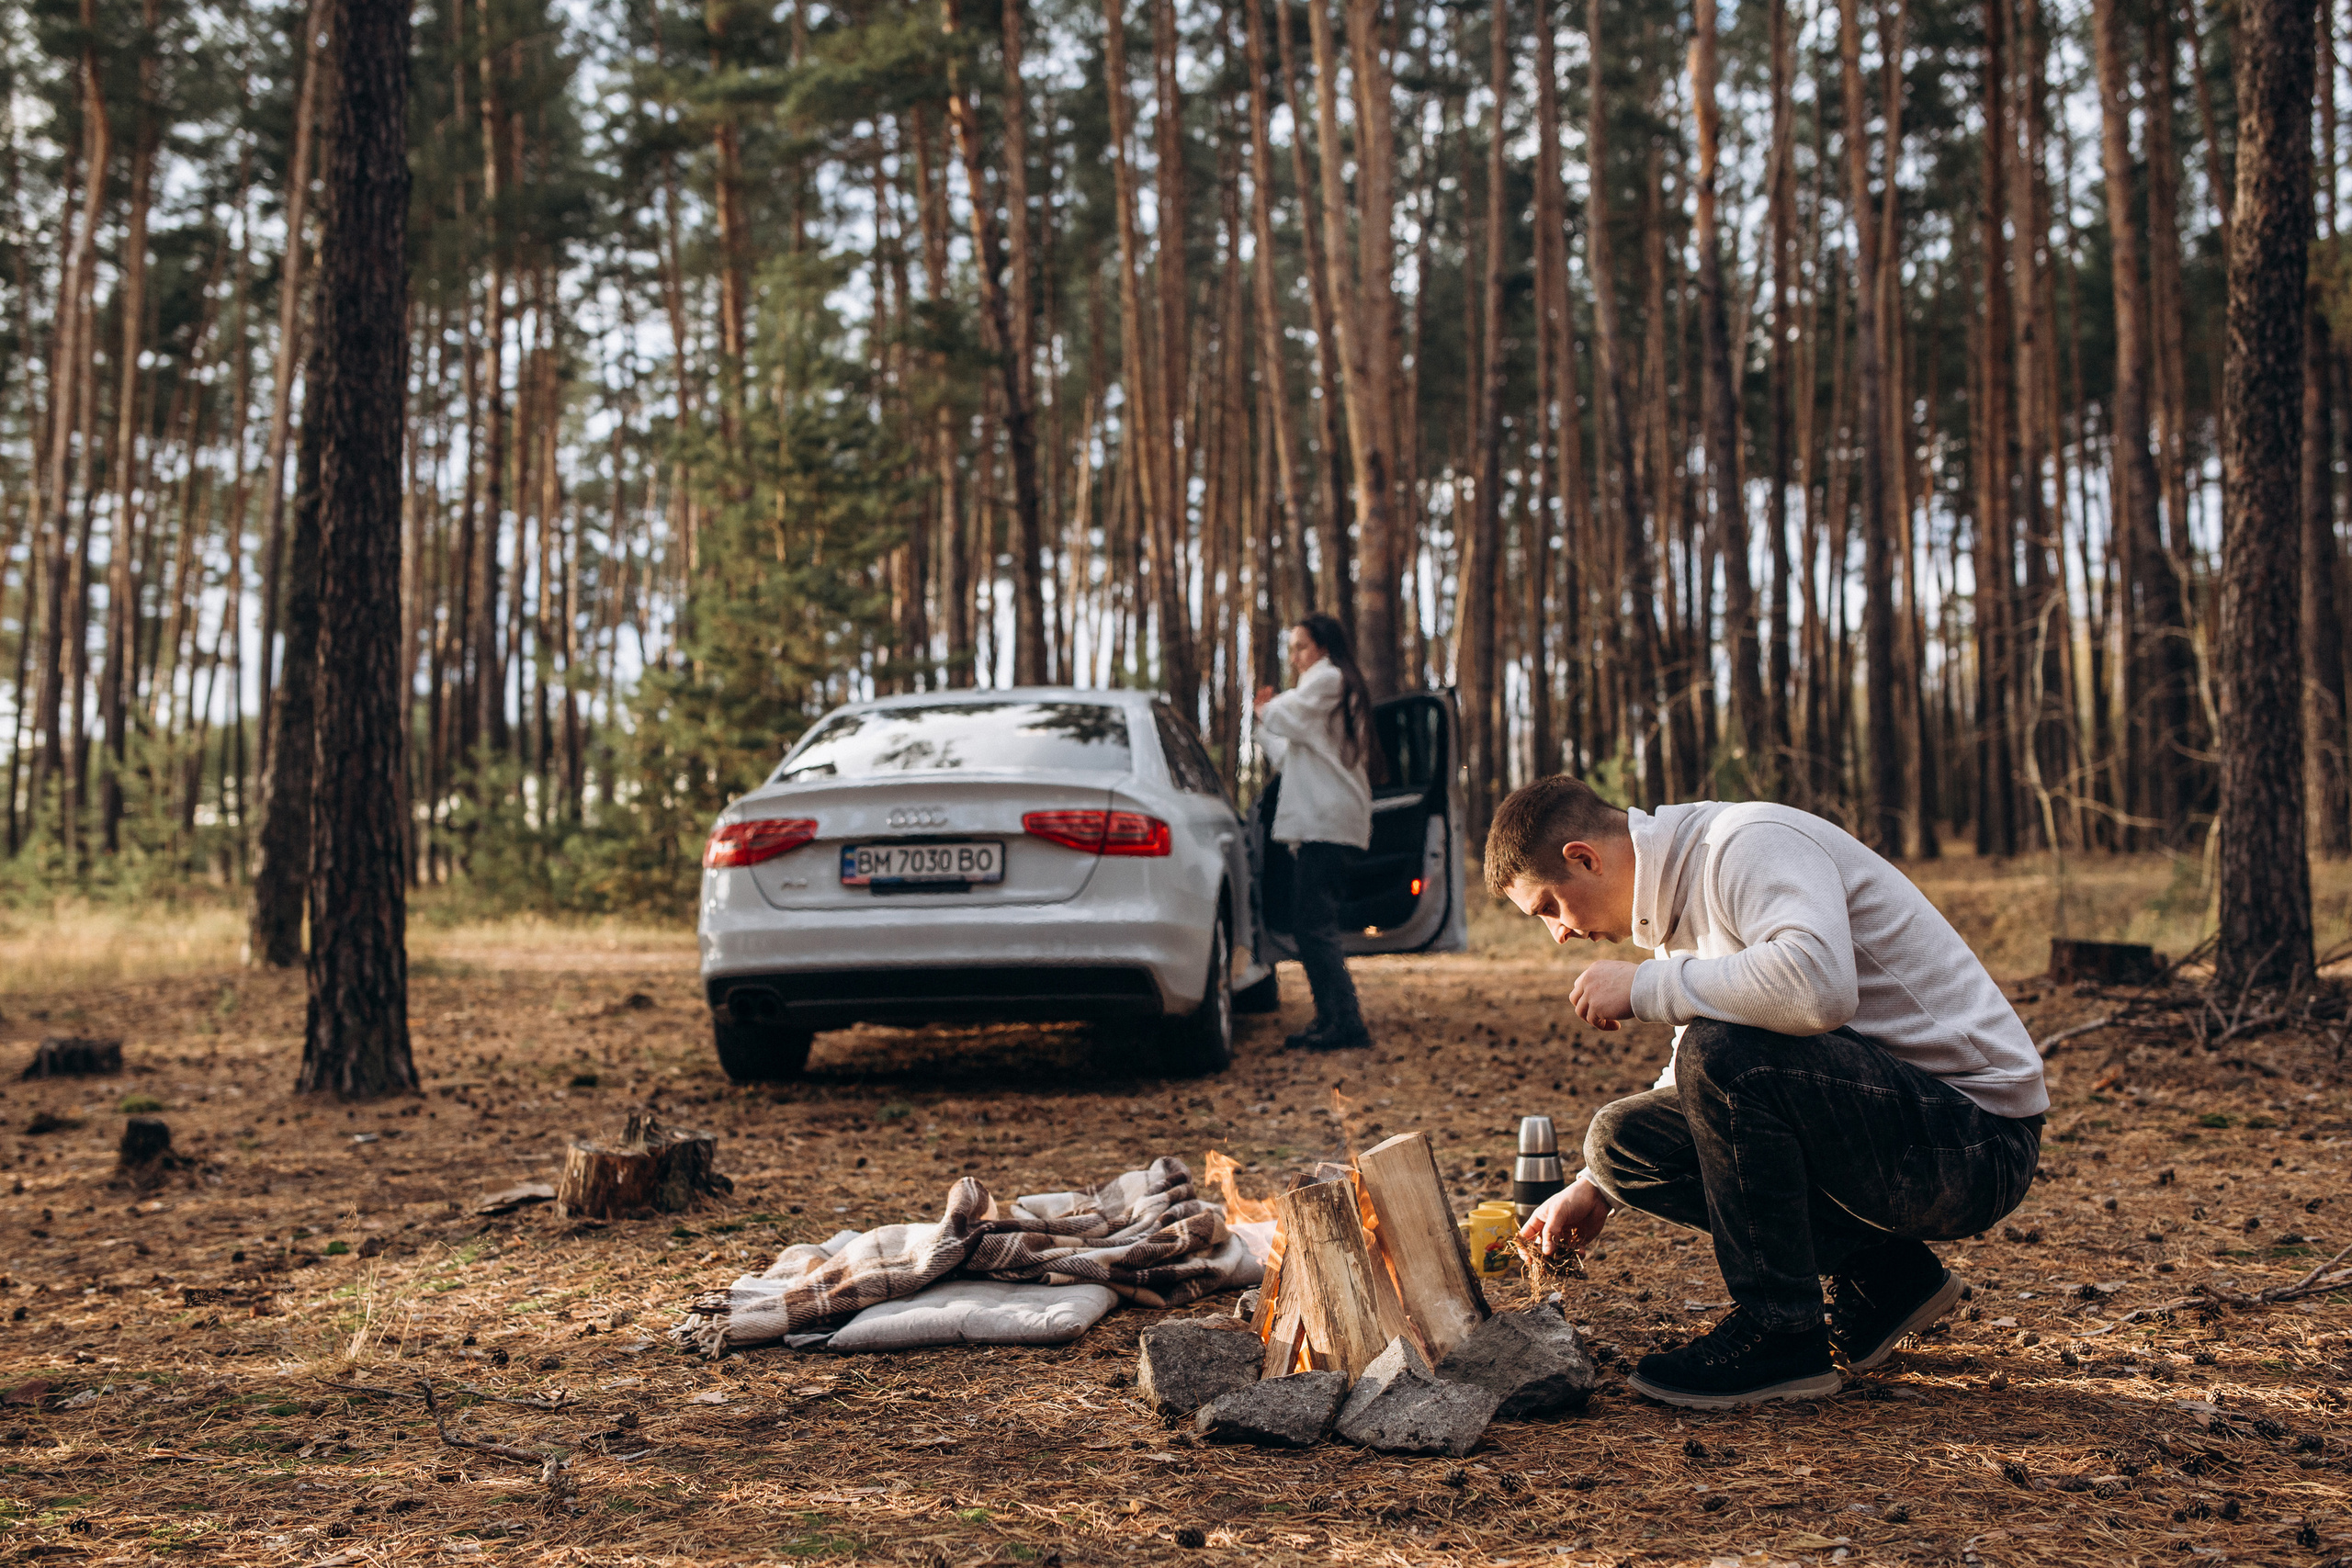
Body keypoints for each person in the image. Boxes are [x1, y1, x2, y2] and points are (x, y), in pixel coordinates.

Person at [1489, 774, 2046, 1409]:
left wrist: (1647, 987)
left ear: (1582, 857)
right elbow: (1708, 1078)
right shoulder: (1677, 901)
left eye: (1549, 908)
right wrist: (1596, 1184)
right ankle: (1888, 1277)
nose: (1558, 933)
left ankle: (1781, 1333)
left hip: (1976, 1140)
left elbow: (1818, 989)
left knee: (1720, 1054)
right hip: (1896, 1126)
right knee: (1622, 1140)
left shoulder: (1745, 842)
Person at [1252, 615, 1377, 1053]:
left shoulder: (1329, 679)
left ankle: (1345, 1023)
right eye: (1293, 649)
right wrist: (1264, 721)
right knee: (1313, 926)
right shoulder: (1320, 688)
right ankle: (1334, 1019)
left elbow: (1286, 714)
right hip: (1324, 823)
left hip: (1328, 822)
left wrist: (1268, 709)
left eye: (1301, 647)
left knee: (1314, 927)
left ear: (1322, 648)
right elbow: (1289, 754)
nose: (1295, 657)